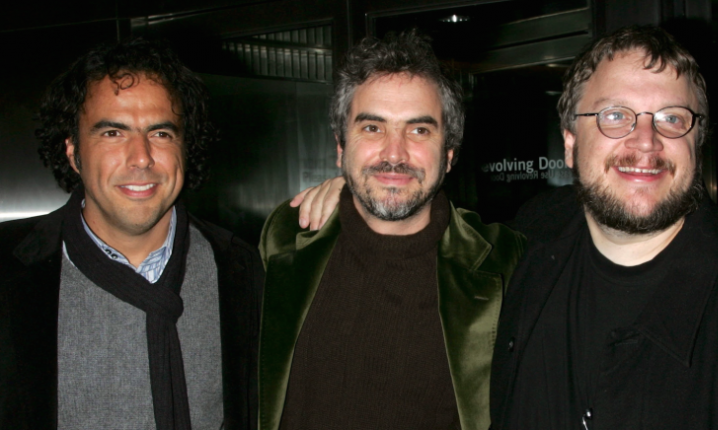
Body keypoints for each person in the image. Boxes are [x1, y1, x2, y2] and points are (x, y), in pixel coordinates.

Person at [489, 26, 718, 429]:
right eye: (616, 116)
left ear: (698, 142)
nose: (646, 141)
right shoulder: (527, 241)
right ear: (570, 143)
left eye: (672, 118)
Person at [258, 30, 525, 430]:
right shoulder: (285, 237)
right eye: (372, 128)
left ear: (448, 154)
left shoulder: (506, 262)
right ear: (340, 147)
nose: (394, 154)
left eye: (419, 130)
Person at [0, 38, 263, 430]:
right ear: (73, 153)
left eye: (161, 134)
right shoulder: (8, 269)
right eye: (112, 133)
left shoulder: (241, 268)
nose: (141, 157)